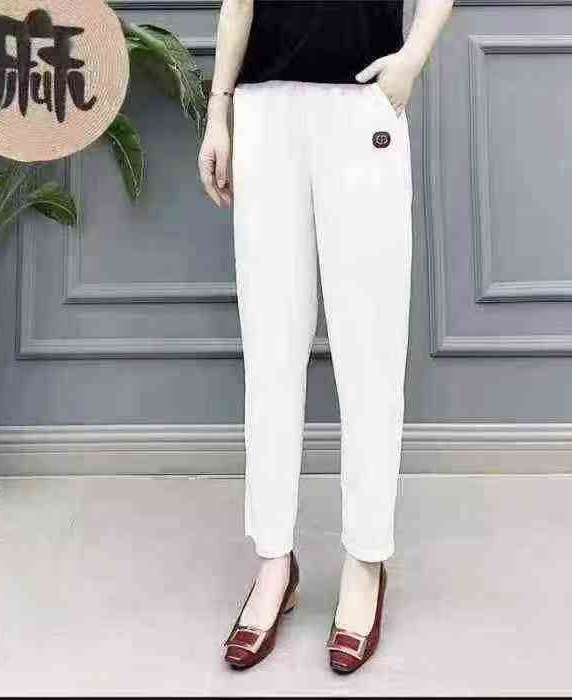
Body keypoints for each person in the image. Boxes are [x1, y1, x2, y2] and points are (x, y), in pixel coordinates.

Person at [199, 0, 453, 674]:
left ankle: (366, 563)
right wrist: (219, 112)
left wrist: (412, 60)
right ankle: (273, 562)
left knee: (370, 352)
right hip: (263, 110)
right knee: (270, 350)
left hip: (360, 104)